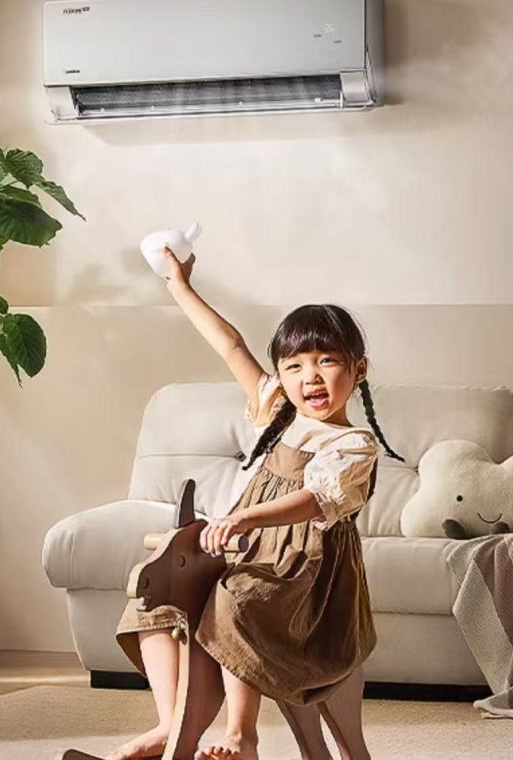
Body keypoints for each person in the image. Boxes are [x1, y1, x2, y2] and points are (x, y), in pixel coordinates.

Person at [108, 246, 404, 760]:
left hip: (307, 575)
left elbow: (314, 500)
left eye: (327, 361)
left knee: (235, 596)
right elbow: (230, 345)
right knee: (156, 592)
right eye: (295, 366)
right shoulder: (280, 414)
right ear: (281, 376)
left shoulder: (353, 444)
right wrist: (180, 286)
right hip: (247, 551)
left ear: (358, 369)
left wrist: (243, 517)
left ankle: (241, 735)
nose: (310, 377)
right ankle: (170, 725)